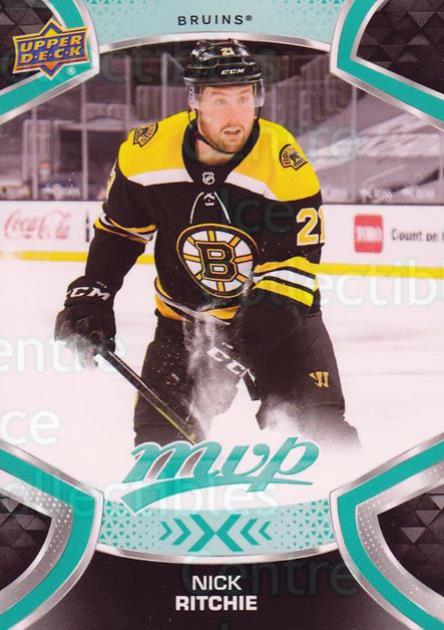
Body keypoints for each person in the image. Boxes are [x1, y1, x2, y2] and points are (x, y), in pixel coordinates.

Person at [55, 39, 359, 449]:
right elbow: (120, 232)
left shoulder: (284, 163)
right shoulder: (145, 153)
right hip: (183, 322)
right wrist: (94, 294)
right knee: (160, 445)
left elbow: (290, 273)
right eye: (220, 100)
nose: (236, 115)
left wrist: (237, 348)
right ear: (194, 101)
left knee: (322, 433)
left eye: (244, 98)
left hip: (280, 323)